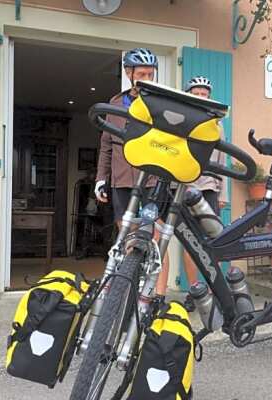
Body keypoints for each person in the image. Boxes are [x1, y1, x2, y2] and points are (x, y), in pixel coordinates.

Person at [94, 48, 172, 296]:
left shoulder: (162, 102)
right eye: (142, 74)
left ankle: (157, 295)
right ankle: (130, 291)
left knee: (157, 237)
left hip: (151, 179)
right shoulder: (115, 104)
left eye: (151, 73)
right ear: (129, 74)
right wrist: (100, 179)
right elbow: (106, 144)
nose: (147, 78)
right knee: (127, 235)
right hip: (121, 179)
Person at [179, 76, 227, 288]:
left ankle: (213, 288)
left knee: (212, 242)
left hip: (209, 188)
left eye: (204, 95)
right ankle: (193, 289)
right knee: (190, 241)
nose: (200, 98)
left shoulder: (217, 125)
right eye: (196, 94)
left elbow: (222, 159)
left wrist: (222, 193)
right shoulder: (180, 120)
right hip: (186, 187)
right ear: (189, 96)